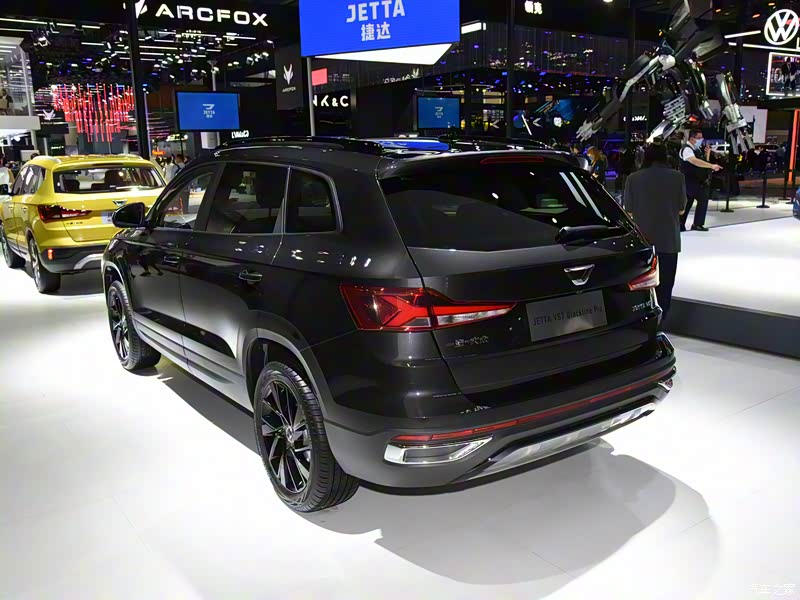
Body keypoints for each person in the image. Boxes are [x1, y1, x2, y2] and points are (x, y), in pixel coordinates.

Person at [623, 143, 686, 320]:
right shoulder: (677, 177)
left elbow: (628, 210)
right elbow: (681, 209)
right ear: (666, 156)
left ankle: (643, 320)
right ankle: (661, 320)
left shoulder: (633, 178)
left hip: (642, 240)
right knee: (666, 284)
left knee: (641, 284)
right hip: (668, 240)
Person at [679, 129, 721, 232]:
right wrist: (711, 166)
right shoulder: (687, 149)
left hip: (698, 181)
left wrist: (707, 154)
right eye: (698, 138)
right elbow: (694, 161)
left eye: (701, 138)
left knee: (702, 200)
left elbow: (702, 163)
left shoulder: (697, 149)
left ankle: (697, 224)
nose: (701, 140)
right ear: (691, 139)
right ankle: (680, 224)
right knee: (687, 204)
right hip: (689, 181)